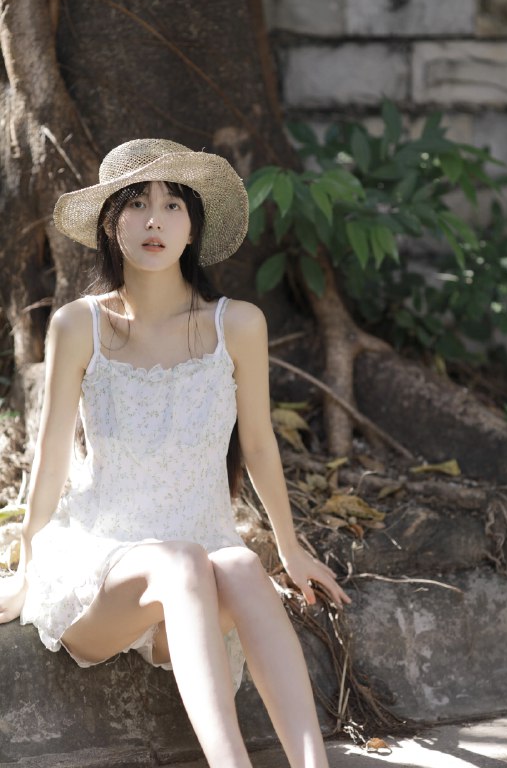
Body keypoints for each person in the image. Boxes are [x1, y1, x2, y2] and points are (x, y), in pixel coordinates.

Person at [0, 139, 351, 768]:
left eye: (171, 205)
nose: (154, 220)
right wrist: (28, 559)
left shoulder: (237, 324)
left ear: (193, 228)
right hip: (102, 573)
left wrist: (292, 549)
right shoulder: (79, 324)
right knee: (183, 561)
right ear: (112, 225)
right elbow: (50, 456)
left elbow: (258, 443)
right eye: (136, 204)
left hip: (198, 571)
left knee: (239, 565)